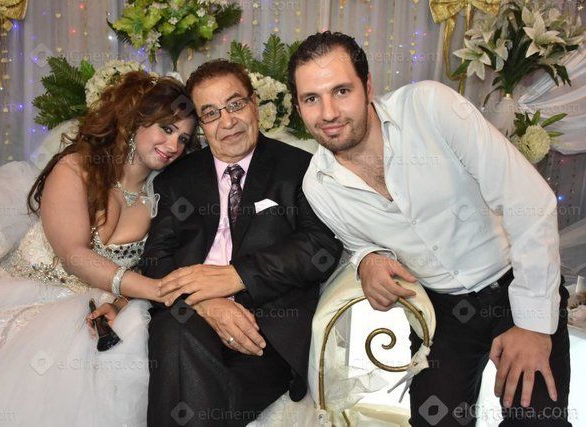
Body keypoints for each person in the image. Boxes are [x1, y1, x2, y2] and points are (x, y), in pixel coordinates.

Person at [289, 32, 571, 426]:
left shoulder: (430, 107)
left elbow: (529, 201)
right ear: (298, 107)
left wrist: (533, 325)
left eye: (341, 91)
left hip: (516, 281)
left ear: (367, 87)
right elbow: (358, 242)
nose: (329, 112)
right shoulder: (318, 186)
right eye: (311, 99)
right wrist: (367, 260)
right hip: (442, 312)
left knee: (538, 421)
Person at [0, 71, 198, 426]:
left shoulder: (162, 195)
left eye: (183, 138)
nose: (173, 145)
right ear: (136, 121)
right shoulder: (77, 168)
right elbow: (74, 256)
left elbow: (148, 263)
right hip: (26, 296)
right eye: (166, 129)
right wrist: (158, 290)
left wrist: (121, 302)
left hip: (93, 309)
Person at [132, 59, 343, 427]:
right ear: (201, 125)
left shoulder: (300, 169)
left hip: (265, 335)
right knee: (176, 335)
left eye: (234, 104)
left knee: (194, 394)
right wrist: (206, 301)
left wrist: (237, 276)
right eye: (211, 113)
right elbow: (156, 258)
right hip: (191, 318)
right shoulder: (177, 178)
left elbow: (320, 247)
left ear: (254, 105)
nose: (227, 121)